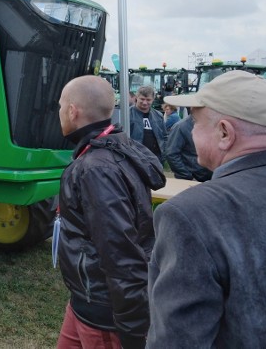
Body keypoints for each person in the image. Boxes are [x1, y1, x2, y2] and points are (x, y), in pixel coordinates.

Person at [148, 71, 266, 347]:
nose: (190, 131)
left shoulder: (190, 215)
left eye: (195, 121)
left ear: (224, 133)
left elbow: (177, 341)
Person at [55, 75, 166, 349]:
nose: (59, 113)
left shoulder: (96, 170)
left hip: (103, 313)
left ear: (72, 111)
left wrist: (131, 329)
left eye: (60, 106)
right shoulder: (108, 150)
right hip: (85, 298)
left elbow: (121, 254)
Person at [163, 114, 212, 181]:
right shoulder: (180, 127)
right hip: (191, 179)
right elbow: (171, 154)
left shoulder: (212, 125)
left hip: (210, 178)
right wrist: (187, 176)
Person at [129, 85, 167, 160]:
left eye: (148, 100)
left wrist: (164, 153)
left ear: (153, 99)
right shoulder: (127, 115)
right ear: (137, 97)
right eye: (142, 99)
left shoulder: (158, 116)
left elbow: (164, 136)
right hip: (135, 158)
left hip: (155, 158)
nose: (145, 102)